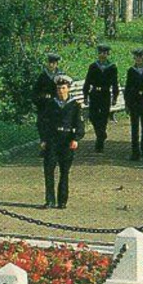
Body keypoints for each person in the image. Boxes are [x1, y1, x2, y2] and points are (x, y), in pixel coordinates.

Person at [37, 75, 83, 209]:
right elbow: (42, 122)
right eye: (58, 88)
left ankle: (62, 200)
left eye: (63, 88)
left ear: (68, 89)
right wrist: (43, 139)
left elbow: (79, 123)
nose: (61, 91)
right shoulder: (51, 104)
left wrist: (76, 139)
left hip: (66, 140)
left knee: (64, 172)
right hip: (52, 140)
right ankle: (50, 200)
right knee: (49, 171)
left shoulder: (75, 105)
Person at [82, 44, 120, 152]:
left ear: (108, 54)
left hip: (105, 94)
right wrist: (85, 95)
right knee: (93, 116)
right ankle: (101, 134)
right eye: (100, 53)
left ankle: (100, 143)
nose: (102, 55)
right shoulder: (93, 66)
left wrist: (115, 97)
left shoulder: (112, 67)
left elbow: (114, 83)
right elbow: (88, 81)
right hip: (94, 93)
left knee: (103, 117)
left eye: (104, 53)